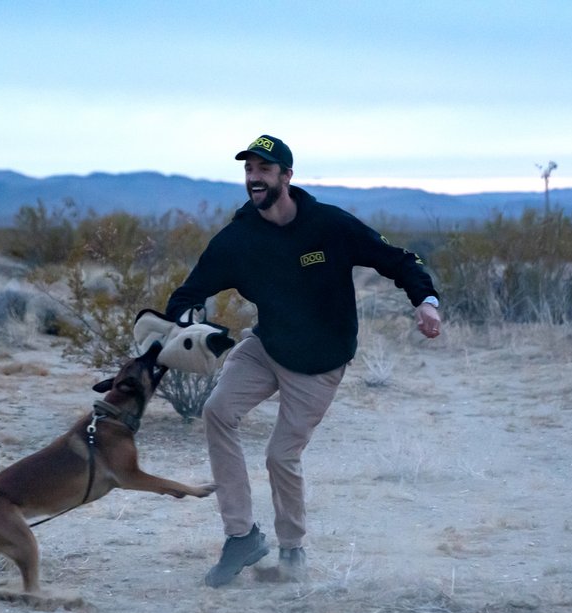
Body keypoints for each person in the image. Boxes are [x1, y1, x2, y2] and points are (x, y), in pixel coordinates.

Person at [164, 134, 441, 587]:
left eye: (264, 170)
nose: (254, 178)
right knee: (217, 411)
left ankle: (292, 551)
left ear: (286, 176)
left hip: (320, 361)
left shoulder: (328, 225)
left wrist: (425, 301)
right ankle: (241, 537)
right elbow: (190, 291)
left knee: (280, 455)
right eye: (249, 170)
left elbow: (398, 259)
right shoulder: (239, 238)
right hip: (268, 346)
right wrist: (179, 324)